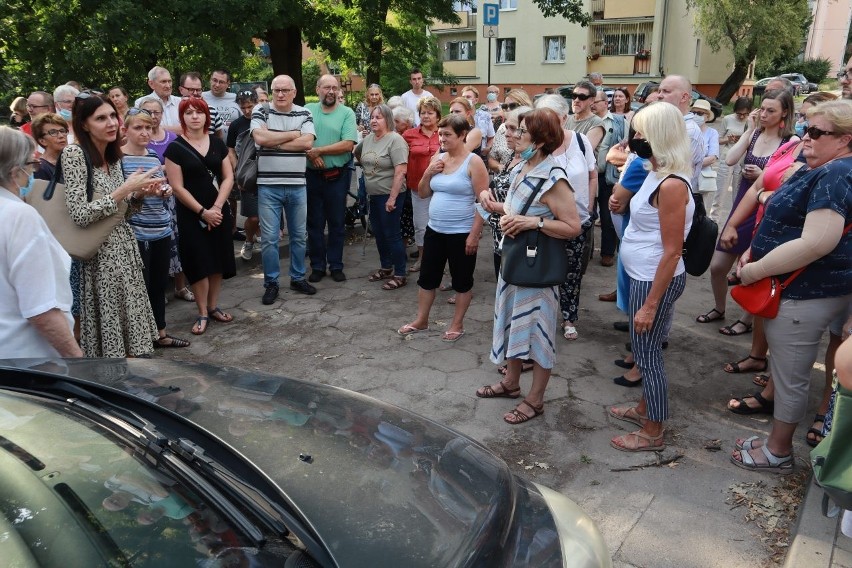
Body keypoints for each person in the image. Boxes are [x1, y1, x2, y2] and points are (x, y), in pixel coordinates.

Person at [730, 100, 852, 473]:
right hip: (807, 289)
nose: (805, 138)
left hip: (803, 294)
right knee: (787, 373)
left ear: (845, 140)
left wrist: (755, 271)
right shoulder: (829, 169)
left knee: (790, 376)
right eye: (805, 127)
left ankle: (778, 452)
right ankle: (775, 444)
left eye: (816, 132)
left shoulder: (835, 175)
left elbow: (817, 242)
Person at [475, 108, 582, 423]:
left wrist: (532, 222)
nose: (514, 135)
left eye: (521, 131)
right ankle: (510, 383)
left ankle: (535, 401)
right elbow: (518, 207)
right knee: (513, 326)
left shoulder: (554, 177)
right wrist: (498, 208)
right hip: (516, 263)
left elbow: (573, 226)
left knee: (536, 333)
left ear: (541, 139)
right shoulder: (523, 165)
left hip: (536, 272)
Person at [607, 101, 695, 451]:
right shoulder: (654, 170)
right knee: (648, 350)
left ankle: (653, 432)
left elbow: (673, 250)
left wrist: (649, 305)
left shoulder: (672, 184)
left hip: (651, 281)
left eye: (642, 133)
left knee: (647, 358)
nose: (636, 138)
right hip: (642, 274)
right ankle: (645, 408)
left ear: (660, 136)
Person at [62, 92, 164, 357]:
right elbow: (80, 214)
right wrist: (123, 191)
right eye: (100, 118)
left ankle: (131, 385)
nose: (110, 123)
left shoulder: (113, 155)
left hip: (126, 254)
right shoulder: (74, 154)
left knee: (132, 338)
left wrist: (138, 194)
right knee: (112, 342)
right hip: (100, 261)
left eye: (112, 116)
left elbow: (122, 212)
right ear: (84, 124)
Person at [696, 89, 796, 335]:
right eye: (762, 109)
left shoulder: (791, 142)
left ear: (785, 112)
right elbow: (729, 159)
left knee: (753, 271)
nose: (764, 114)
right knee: (718, 266)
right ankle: (720, 308)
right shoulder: (753, 135)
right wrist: (750, 130)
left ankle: (746, 319)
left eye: (771, 110)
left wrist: (762, 176)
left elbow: (789, 183)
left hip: (766, 211)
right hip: (742, 206)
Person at [397, 114, 487, 342]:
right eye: (440, 133)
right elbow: (424, 192)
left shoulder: (474, 162)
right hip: (435, 230)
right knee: (427, 278)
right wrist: (428, 173)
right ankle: (422, 320)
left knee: (462, 280)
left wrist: (474, 234)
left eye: (447, 134)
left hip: (461, 232)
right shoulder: (439, 157)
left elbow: (483, 202)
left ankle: (457, 324)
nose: (442, 138)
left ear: (462, 135)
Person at [0, 126, 82, 358]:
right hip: (26, 358)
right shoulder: (20, 216)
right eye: (31, 165)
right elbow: (42, 310)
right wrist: (77, 361)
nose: (32, 172)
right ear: (15, 172)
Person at [164, 97, 237, 335]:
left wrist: (216, 208)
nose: (194, 116)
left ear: (207, 116)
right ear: (182, 117)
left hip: (218, 211)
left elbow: (228, 177)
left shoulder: (217, 143)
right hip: (191, 214)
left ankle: (214, 306)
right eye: (189, 113)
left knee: (218, 260)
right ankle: (202, 311)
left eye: (199, 112)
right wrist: (202, 212)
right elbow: (177, 187)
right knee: (198, 262)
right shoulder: (175, 148)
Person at [121, 108, 189, 348]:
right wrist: (139, 192)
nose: (145, 132)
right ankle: (139, 338)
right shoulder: (119, 159)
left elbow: (162, 187)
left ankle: (161, 333)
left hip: (161, 229)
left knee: (159, 286)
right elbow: (121, 199)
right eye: (138, 128)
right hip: (138, 233)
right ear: (125, 130)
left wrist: (165, 191)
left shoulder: (152, 156)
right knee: (140, 288)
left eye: (148, 127)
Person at [534, 94, 596, 342]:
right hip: (544, 222)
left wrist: (589, 207)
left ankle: (569, 318)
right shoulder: (537, 145)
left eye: (551, 117)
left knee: (572, 273)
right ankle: (541, 316)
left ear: (564, 118)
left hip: (577, 220)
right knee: (541, 270)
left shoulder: (581, 141)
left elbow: (592, 175)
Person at [250, 74, 317, 304]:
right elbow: (259, 137)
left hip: (298, 185)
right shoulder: (262, 110)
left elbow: (307, 143)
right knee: (269, 239)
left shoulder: (305, 112)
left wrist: (273, 139)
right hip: (268, 186)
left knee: (299, 236)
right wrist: (292, 134)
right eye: (276, 90)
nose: (280, 94)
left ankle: (297, 277)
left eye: (285, 90)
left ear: (294, 92)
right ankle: (271, 283)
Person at [140, 97, 194, 304]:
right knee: (153, 246)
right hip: (147, 201)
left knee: (178, 241)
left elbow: (182, 165)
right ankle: (158, 290)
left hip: (174, 197)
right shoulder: (140, 140)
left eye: (157, 112)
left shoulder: (172, 137)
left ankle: (180, 287)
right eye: (148, 112)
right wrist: (166, 168)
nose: (153, 117)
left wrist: (162, 169)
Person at [305, 74, 358, 283]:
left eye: (334, 88)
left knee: (337, 222)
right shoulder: (307, 110)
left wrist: (319, 151)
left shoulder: (346, 113)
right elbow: (300, 137)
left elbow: (347, 144)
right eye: (326, 87)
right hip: (312, 176)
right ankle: (317, 266)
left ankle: (336, 265)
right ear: (317, 89)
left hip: (337, 176)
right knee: (314, 223)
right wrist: (312, 153)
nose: (331, 92)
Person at [355, 104, 409, 289]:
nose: (373, 120)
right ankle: (386, 267)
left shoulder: (396, 140)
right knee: (378, 233)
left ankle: (400, 273)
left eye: (378, 117)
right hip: (373, 196)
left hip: (390, 195)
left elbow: (401, 172)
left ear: (387, 120)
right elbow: (357, 152)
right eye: (372, 117)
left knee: (392, 234)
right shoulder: (369, 139)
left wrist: (392, 198)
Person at [402, 97, 442, 272]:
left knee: (441, 224)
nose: (426, 116)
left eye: (430, 112)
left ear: (438, 116)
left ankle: (442, 260)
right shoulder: (409, 135)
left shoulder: (444, 133)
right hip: (418, 187)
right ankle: (422, 258)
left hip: (442, 188)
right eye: (422, 113)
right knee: (420, 225)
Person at [593, 89, 627, 268]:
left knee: (607, 216)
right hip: (590, 174)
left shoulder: (618, 121)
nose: (592, 104)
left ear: (605, 103)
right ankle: (587, 249)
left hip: (609, 175)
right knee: (588, 213)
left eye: (595, 101)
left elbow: (626, 145)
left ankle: (607, 252)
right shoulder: (590, 121)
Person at [227, 89, 261, 260]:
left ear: (257, 102)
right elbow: (231, 150)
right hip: (247, 175)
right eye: (243, 107)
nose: (247, 110)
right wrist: (237, 171)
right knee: (253, 217)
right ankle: (249, 241)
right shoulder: (236, 125)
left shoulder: (265, 119)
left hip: (267, 172)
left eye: (250, 106)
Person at [711, 96, 752, 222]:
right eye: (739, 113)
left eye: (745, 114)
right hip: (727, 158)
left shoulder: (752, 121)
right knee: (720, 192)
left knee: (738, 193)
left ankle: (734, 221)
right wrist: (729, 139)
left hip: (743, 159)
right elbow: (718, 140)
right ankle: (714, 221)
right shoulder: (727, 119)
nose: (741, 117)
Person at [135, 66, 182, 133]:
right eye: (163, 82)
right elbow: (143, 129)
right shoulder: (141, 103)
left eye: (169, 81)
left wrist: (159, 128)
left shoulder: (180, 102)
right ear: (151, 84)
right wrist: (177, 129)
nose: (168, 86)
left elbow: (188, 128)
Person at [692, 99, 719, 213]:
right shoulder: (687, 130)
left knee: (700, 213)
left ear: (707, 117)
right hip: (684, 178)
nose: (695, 115)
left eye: (699, 113)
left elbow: (713, 157)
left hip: (701, 181)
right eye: (693, 112)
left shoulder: (712, 133)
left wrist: (691, 164)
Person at [565, 80, 605, 151]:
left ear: (592, 100)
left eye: (582, 97)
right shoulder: (566, 119)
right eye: (574, 96)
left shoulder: (596, 123)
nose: (576, 100)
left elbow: (584, 151)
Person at [31, 113, 68, 181]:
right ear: (42, 141)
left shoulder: (71, 162)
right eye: (53, 132)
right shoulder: (40, 169)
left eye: (62, 131)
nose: (61, 136)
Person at [461, 86, 495, 156]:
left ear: (476, 100)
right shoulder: (457, 116)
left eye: (468, 97)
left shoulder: (485, 116)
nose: (465, 100)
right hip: (461, 155)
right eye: (463, 97)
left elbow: (491, 137)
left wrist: (488, 148)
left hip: (480, 156)